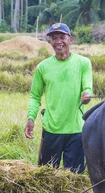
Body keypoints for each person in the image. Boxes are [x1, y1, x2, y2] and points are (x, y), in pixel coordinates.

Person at [24, 22, 93, 174]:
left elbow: (87, 88)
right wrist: (30, 118)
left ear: (70, 40)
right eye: (54, 38)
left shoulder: (83, 63)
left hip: (75, 130)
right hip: (51, 130)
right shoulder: (43, 67)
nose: (58, 41)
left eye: (62, 37)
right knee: (47, 175)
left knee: (73, 176)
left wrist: (86, 95)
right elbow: (35, 96)